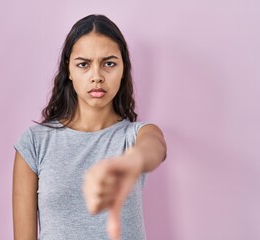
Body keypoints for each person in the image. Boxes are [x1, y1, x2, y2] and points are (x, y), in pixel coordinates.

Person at [12, 14, 167, 240]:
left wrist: (130, 161)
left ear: (123, 68)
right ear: (69, 70)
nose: (97, 76)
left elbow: (154, 147)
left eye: (109, 64)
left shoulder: (136, 136)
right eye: (84, 64)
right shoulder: (34, 143)